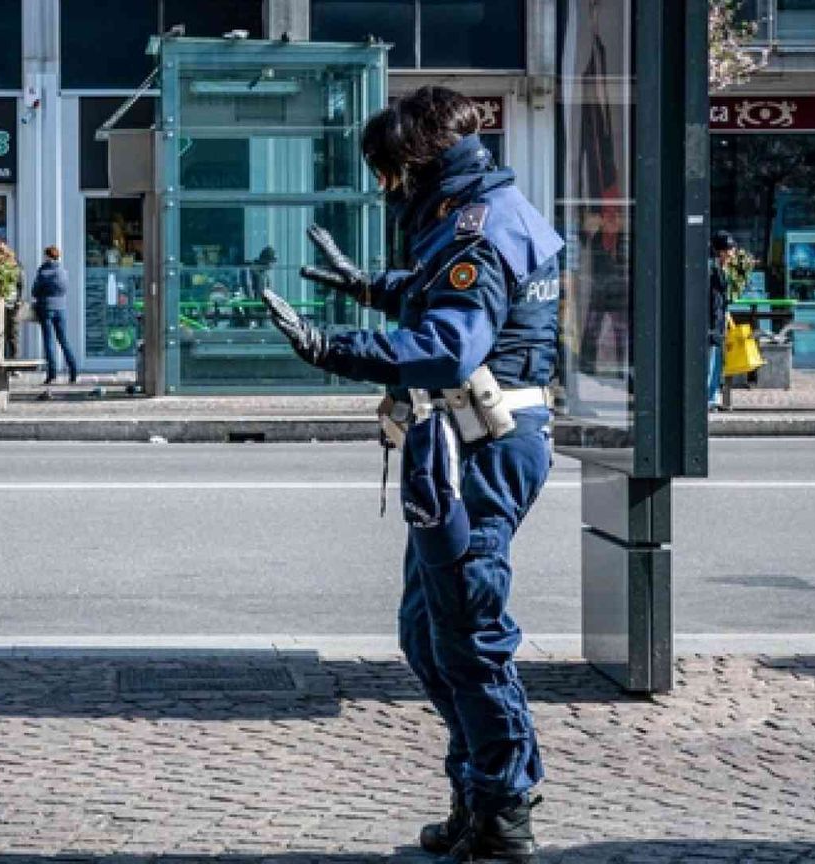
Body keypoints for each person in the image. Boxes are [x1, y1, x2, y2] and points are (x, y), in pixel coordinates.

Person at [262, 87, 560, 863]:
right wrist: (371, 287)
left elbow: (453, 342)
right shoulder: (476, 209)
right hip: (463, 439)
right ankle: (477, 791)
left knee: (467, 637)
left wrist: (335, 346)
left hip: (482, 440)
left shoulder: (476, 225)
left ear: (415, 160)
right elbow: (455, 302)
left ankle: (502, 810)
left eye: (387, 170)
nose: (384, 186)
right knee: (428, 632)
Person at [30, 245, 79, 384]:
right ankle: (73, 371)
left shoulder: (43, 272)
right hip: (61, 308)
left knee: (49, 341)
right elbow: (65, 289)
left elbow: (34, 291)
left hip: (46, 308)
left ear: (47, 256)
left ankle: (52, 374)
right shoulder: (63, 272)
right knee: (63, 340)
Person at [708, 231, 735, 410]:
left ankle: (713, 396)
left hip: (717, 321)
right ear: (721, 251)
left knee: (717, 360)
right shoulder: (712, 269)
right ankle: (709, 397)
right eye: (730, 250)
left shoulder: (720, 269)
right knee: (710, 361)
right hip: (711, 323)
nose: (732, 254)